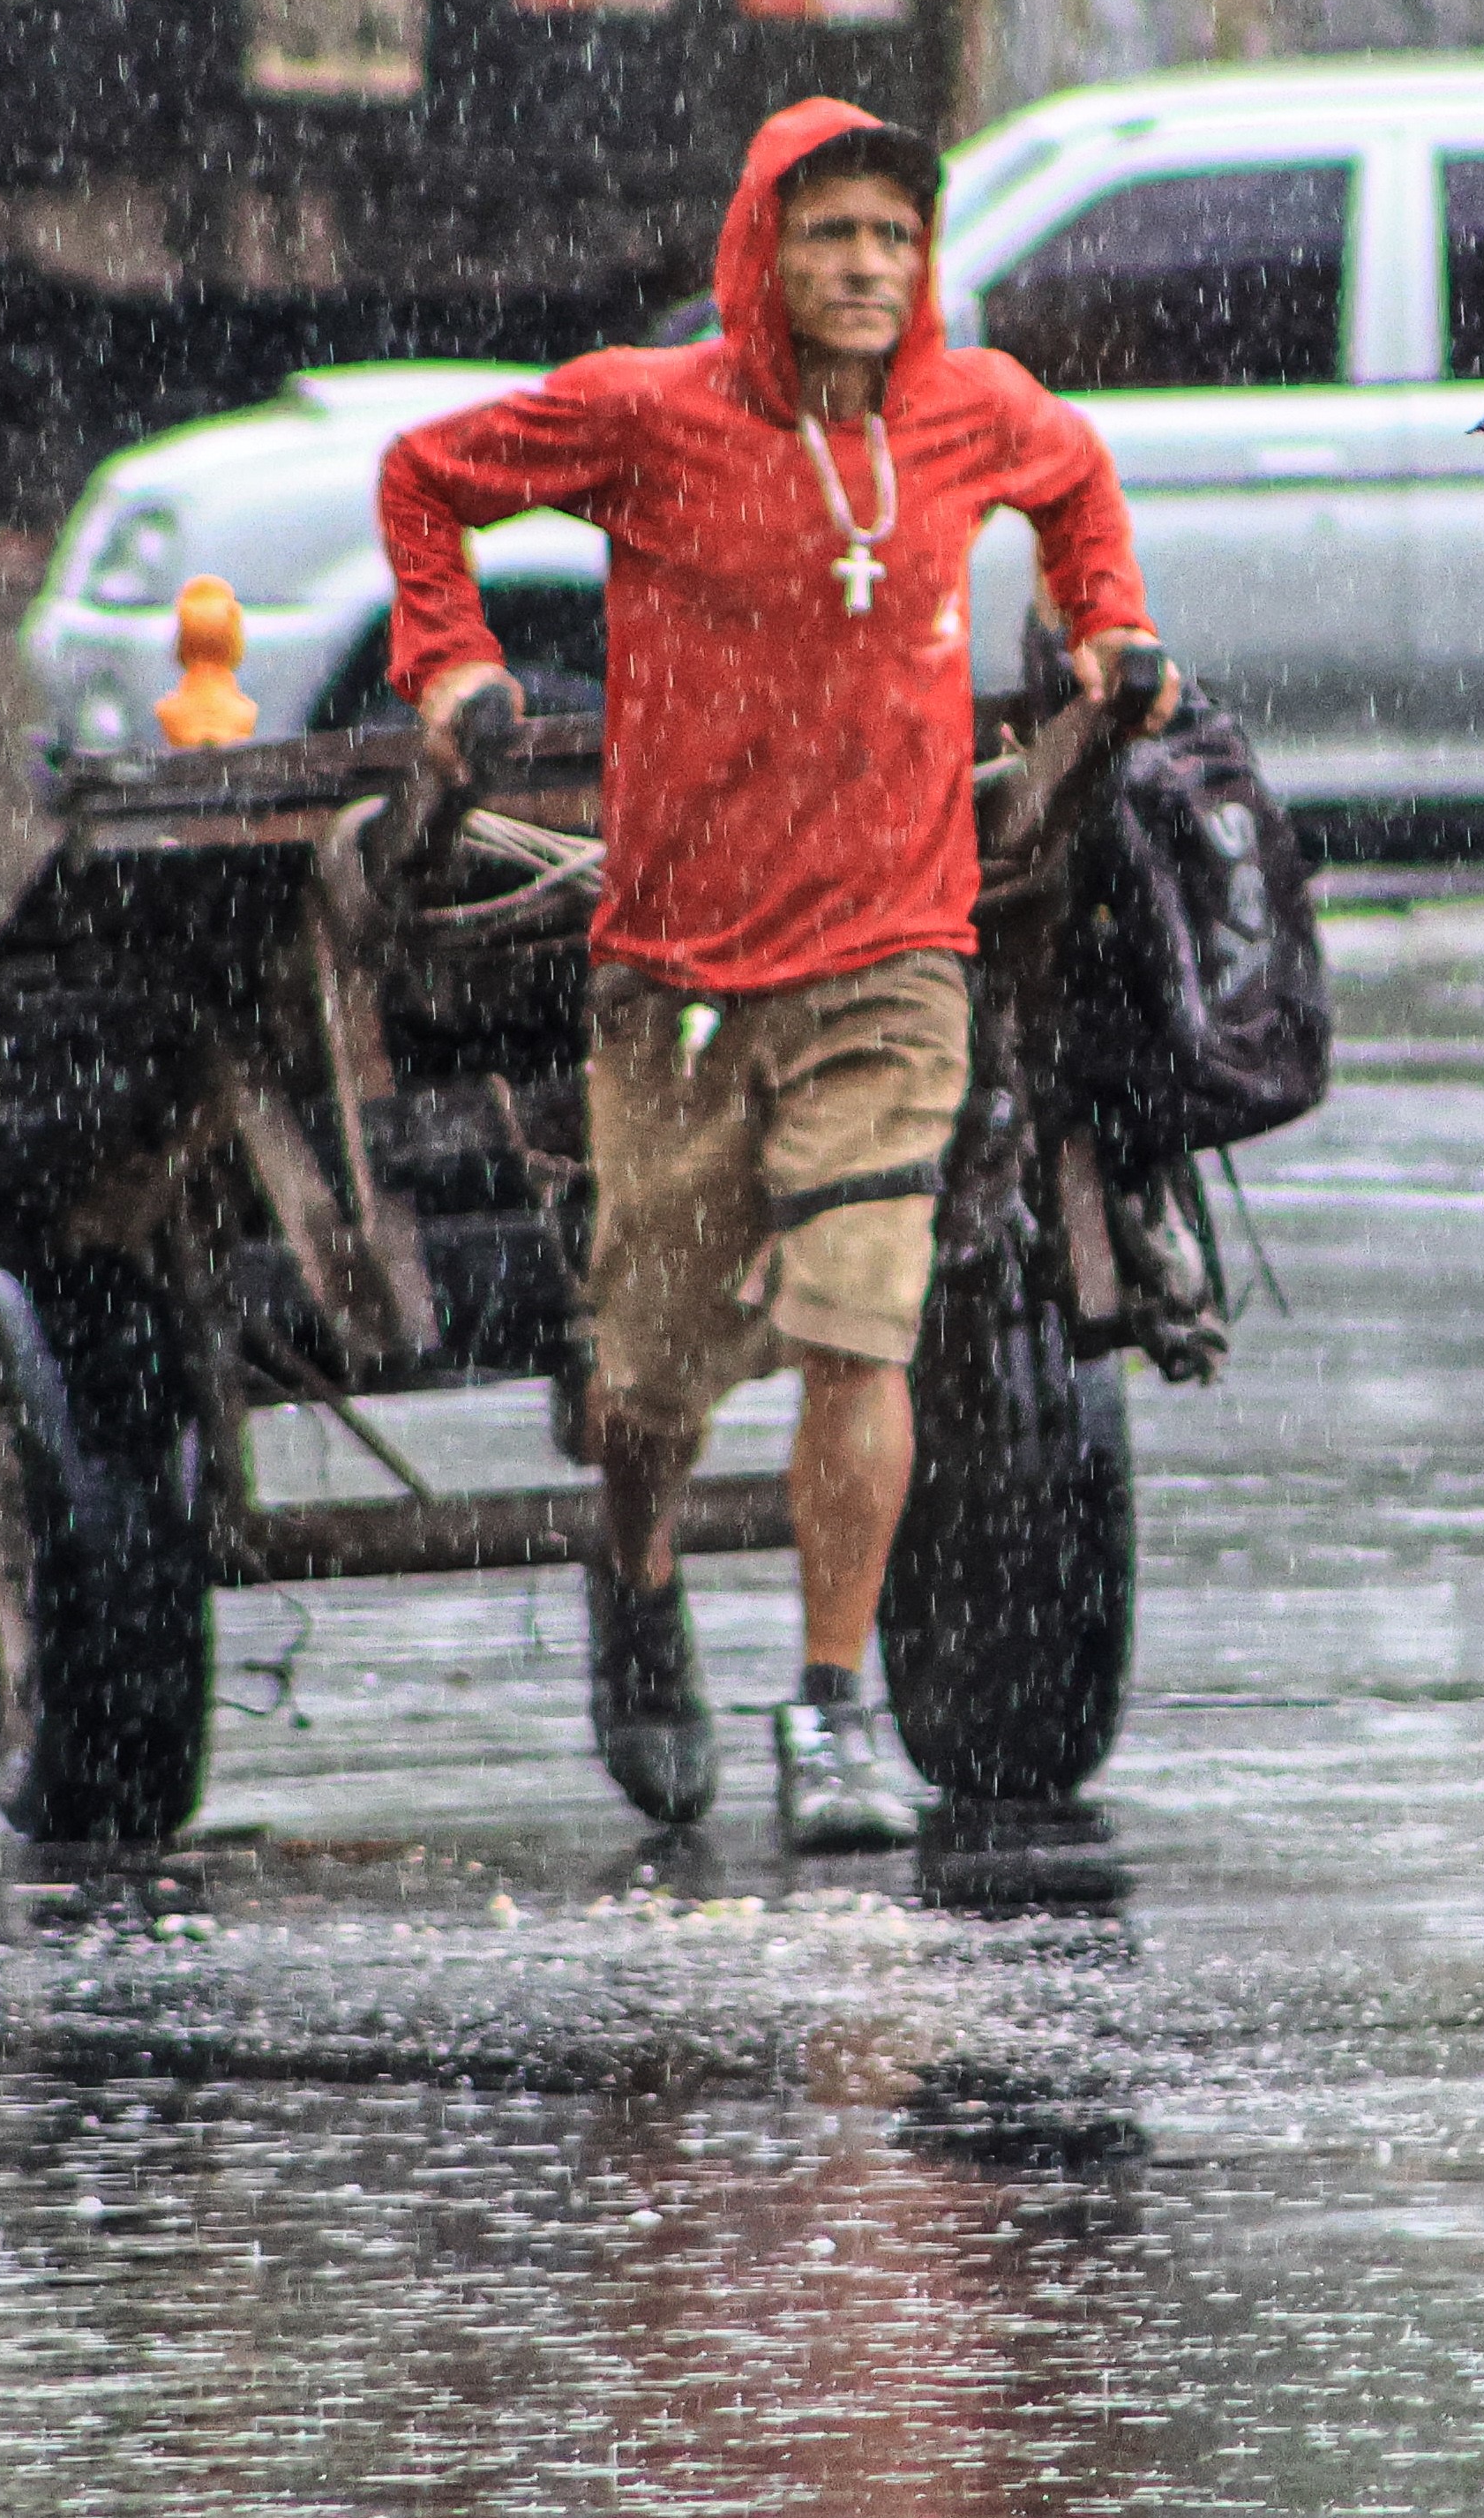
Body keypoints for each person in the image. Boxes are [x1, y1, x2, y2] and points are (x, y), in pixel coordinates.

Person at [378, 97, 1174, 1853]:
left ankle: (828, 1713)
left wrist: (1105, 618)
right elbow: (423, 478)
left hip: (895, 961)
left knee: (855, 1324)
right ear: (763, 250)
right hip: (676, 983)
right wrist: (448, 666)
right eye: (833, 237)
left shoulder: (969, 411)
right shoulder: (646, 419)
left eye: (896, 237)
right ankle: (636, 1565)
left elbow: (1076, 485)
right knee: (651, 1376)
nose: (870, 268)